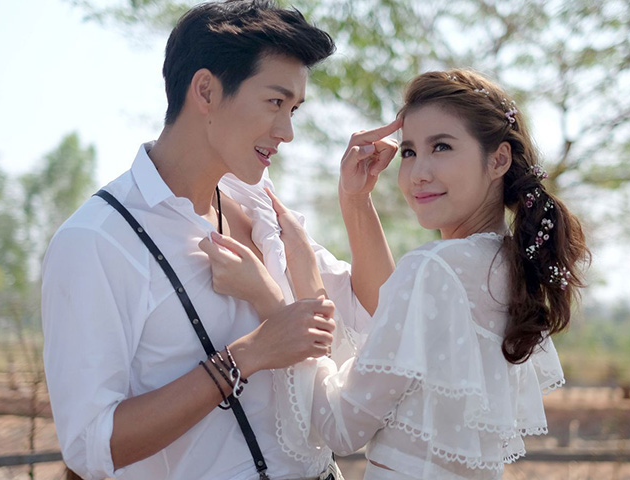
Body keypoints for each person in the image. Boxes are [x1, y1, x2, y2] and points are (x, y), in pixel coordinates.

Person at [41, 2, 376, 479]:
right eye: (275, 103)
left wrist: (356, 201)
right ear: (206, 90)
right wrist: (248, 356)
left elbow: (370, 308)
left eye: (294, 109)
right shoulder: (97, 240)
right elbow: (91, 446)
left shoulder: (260, 209)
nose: (287, 132)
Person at [211, 69, 590, 479]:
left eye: (441, 147)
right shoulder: (506, 266)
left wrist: (276, 301)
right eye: (408, 152)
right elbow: (385, 327)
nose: (418, 172)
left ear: (498, 159)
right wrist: (355, 198)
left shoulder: (435, 268)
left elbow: (340, 428)